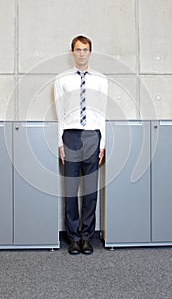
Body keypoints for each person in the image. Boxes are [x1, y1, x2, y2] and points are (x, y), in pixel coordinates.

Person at [54, 35, 108, 255]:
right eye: (78, 49)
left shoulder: (101, 80)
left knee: (90, 190)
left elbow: (103, 112)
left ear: (90, 52)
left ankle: (87, 237)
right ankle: (73, 238)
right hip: (71, 135)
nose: (82, 53)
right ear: (72, 52)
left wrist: (102, 142)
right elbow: (59, 113)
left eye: (85, 49)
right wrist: (60, 142)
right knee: (70, 190)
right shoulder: (62, 79)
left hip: (92, 136)